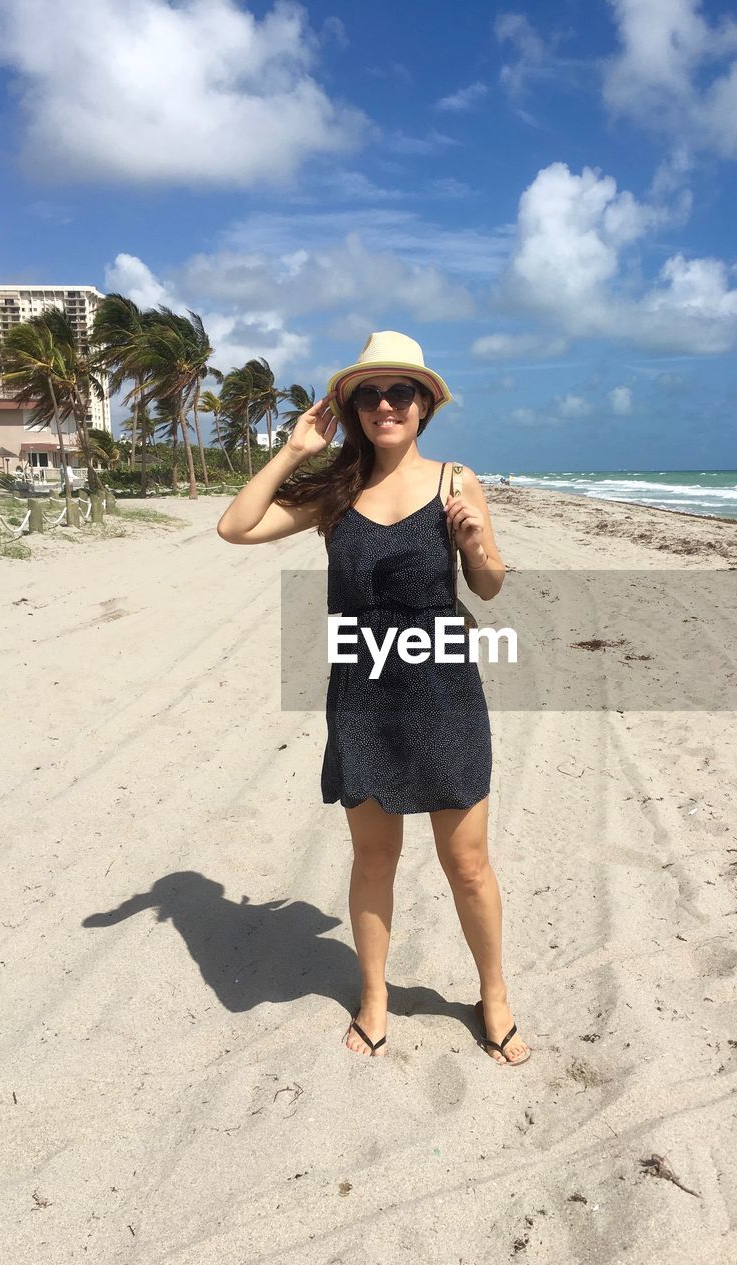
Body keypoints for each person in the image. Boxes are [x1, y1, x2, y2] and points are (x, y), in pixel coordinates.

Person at [217, 331, 531, 1066]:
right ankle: (376, 996)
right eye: (370, 393)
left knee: (469, 864)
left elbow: (487, 584)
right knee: (373, 860)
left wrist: (477, 543)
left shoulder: (457, 481)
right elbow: (236, 527)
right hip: (362, 694)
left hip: (443, 689)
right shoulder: (334, 490)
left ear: (424, 406)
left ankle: (494, 996)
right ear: (351, 407)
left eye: (401, 392)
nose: (386, 404)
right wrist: (295, 449)